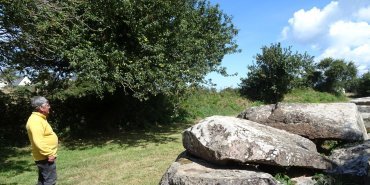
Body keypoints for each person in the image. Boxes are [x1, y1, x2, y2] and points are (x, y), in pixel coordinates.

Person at [26, 96, 58, 185]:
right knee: (50, 181)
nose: (49, 107)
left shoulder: (39, 118)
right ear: (41, 107)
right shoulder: (35, 121)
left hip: (44, 156)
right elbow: (38, 141)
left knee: (42, 181)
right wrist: (49, 153)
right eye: (47, 105)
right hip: (45, 157)